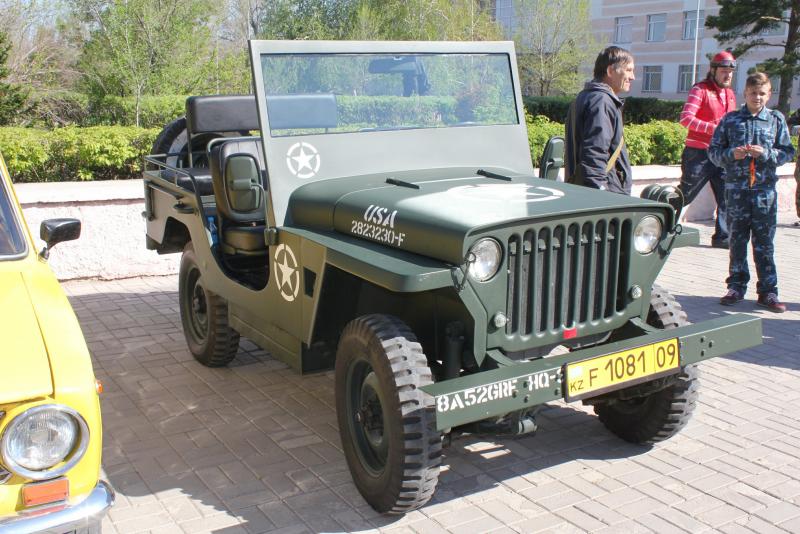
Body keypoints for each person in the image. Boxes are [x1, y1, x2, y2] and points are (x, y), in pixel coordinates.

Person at [709, 72, 795, 313]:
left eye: (762, 93)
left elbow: (787, 152)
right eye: (753, 93)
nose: (757, 97)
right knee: (737, 242)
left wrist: (766, 154)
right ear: (745, 93)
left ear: (769, 95)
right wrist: (731, 154)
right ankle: (736, 287)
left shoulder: (775, 120)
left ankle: (768, 292)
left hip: (764, 195)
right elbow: (713, 152)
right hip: (736, 193)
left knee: (764, 245)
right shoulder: (731, 120)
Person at [678, 51, 738, 249]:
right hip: (698, 154)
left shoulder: (730, 94)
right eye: (724, 71)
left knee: (726, 196)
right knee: (685, 194)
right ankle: (661, 229)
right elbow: (686, 118)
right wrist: (714, 128)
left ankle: (723, 238)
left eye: (730, 72)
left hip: (721, 155)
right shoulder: (700, 89)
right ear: (713, 70)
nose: (728, 75)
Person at [565, 46, 635, 195]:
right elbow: (595, 152)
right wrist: (600, 194)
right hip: (606, 194)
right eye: (628, 70)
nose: (632, 77)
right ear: (610, 71)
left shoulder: (585, 97)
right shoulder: (601, 101)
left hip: (584, 190)